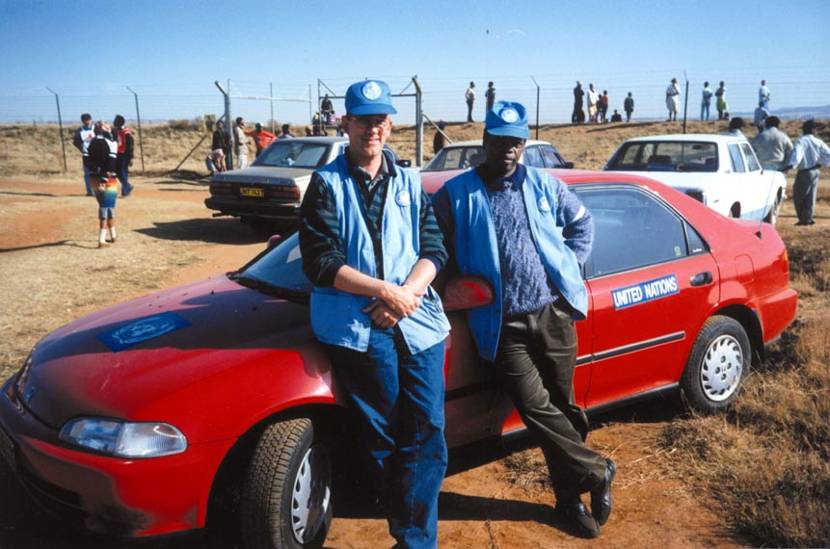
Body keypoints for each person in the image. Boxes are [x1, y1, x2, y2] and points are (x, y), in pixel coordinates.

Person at [432, 100, 615, 539]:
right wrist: (452, 284)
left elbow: (582, 224)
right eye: (501, 141)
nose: (509, 150)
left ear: (524, 143)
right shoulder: (456, 195)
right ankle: (598, 470)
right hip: (502, 326)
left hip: (551, 314)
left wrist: (567, 271)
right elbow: (433, 248)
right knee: (535, 409)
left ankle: (568, 500)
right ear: (485, 141)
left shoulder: (544, 185)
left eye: (517, 142)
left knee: (565, 409)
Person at [299, 79, 450, 547]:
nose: (373, 129)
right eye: (363, 120)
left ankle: (413, 538)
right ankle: (411, 530)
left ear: (391, 123)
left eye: (381, 119)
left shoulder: (409, 180)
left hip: (416, 321)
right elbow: (321, 263)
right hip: (357, 327)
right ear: (346, 123)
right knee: (385, 433)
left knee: (428, 430)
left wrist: (406, 294)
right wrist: (386, 292)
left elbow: (434, 248)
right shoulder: (325, 185)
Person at [788, 119, 830, 226]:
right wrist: (821, 163)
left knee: (799, 196)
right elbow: (828, 154)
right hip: (815, 170)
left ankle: (803, 219)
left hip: (804, 172)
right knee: (811, 196)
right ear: (813, 130)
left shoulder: (801, 141)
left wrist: (792, 165)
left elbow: (797, 155)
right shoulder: (818, 141)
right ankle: (808, 218)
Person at [85, 121, 119, 248]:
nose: (109, 127)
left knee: (107, 206)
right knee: (106, 207)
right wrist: (104, 179)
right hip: (108, 179)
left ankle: (113, 235)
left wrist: (97, 171)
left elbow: (86, 160)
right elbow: (110, 163)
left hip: (93, 178)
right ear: (105, 130)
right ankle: (101, 239)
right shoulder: (112, 143)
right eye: (106, 126)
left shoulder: (88, 142)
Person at [111, 115, 134, 197]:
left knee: (123, 172)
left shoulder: (127, 132)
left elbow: (131, 146)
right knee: (118, 172)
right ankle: (127, 186)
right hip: (117, 154)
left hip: (125, 155)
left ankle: (125, 190)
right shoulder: (114, 131)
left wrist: (131, 157)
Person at [73, 113, 96, 196]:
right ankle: (90, 191)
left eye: (88, 120)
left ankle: (98, 189)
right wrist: (82, 148)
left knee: (98, 172)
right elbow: (76, 142)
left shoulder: (96, 128)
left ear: (91, 119)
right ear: (82, 121)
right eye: (85, 121)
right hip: (86, 155)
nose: (87, 122)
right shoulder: (80, 131)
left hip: (97, 155)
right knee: (87, 173)